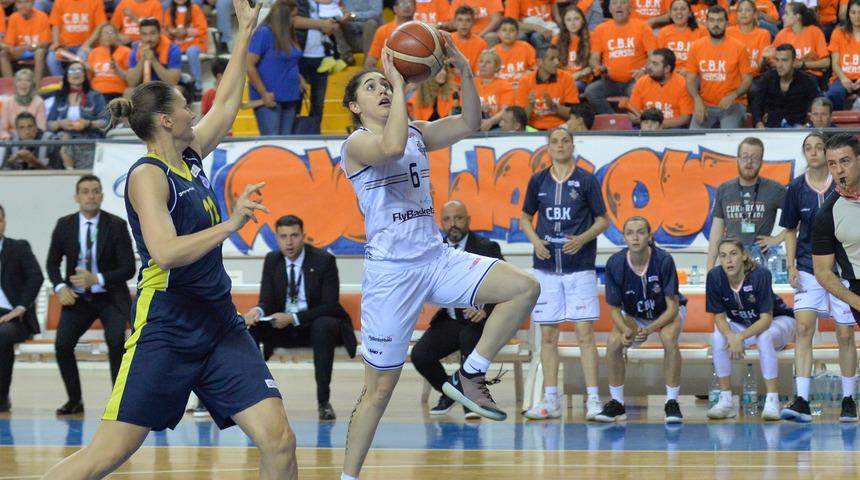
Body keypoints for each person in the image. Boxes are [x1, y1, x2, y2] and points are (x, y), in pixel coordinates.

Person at [43, 0, 299, 478]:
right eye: (184, 104)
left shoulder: (191, 155)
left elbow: (226, 103)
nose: (192, 109)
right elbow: (164, 252)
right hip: (168, 325)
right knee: (104, 456)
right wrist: (231, 223)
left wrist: (244, 33)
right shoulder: (149, 175)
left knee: (280, 441)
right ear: (165, 119)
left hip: (220, 323)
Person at [339, 34, 540, 480]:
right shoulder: (355, 144)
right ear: (355, 106)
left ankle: (472, 372)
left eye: (384, 84)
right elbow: (389, 148)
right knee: (379, 391)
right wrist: (398, 78)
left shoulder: (415, 133)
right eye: (371, 87)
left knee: (524, 287)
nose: (383, 89)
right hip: (391, 275)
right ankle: (348, 476)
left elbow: (470, 121)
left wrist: (465, 71)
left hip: (436, 258)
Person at [520, 127, 608, 421]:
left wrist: (582, 238)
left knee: (584, 334)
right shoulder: (538, 180)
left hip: (579, 266)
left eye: (565, 140)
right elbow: (524, 217)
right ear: (548, 147)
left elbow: (603, 220)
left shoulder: (586, 180)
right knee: (548, 335)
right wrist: (534, 241)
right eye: (555, 141)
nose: (560, 145)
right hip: (545, 268)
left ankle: (593, 399)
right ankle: (550, 399)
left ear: (573, 145)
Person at [244, 214, 357, 421]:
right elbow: (266, 300)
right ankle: (255, 398)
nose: (289, 242)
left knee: (324, 325)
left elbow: (330, 305)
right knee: (249, 328)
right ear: (276, 238)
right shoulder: (272, 260)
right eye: (283, 236)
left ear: (303, 236)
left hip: (314, 326)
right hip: (283, 327)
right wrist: (257, 312)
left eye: (294, 235)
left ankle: (323, 402)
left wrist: (293, 318)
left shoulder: (325, 261)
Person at [780, 132, 858, 424]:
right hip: (809, 267)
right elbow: (789, 228)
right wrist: (790, 265)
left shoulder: (845, 186)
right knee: (803, 329)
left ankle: (849, 399)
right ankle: (801, 398)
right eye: (808, 148)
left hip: (842, 270)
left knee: (845, 333)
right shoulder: (797, 188)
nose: (814, 153)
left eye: (818, 147)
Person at [45, 175, 135, 416]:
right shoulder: (64, 225)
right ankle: (74, 400)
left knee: (116, 341)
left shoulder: (116, 225)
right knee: (62, 345)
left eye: (95, 191)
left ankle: (119, 402)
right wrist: (59, 287)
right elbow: (52, 263)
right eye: (85, 191)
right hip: (78, 298)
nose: (91, 196)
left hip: (110, 296)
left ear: (102, 196)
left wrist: (99, 278)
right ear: (77, 197)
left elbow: (129, 268)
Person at [411, 200, 504, 417]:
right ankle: (450, 393)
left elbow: (506, 286)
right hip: (451, 320)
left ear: (468, 220)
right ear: (441, 222)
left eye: (458, 218)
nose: (453, 224)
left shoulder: (486, 247)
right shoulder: (435, 250)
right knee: (420, 355)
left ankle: (471, 402)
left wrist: (486, 308)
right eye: (447, 219)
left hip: (478, 321)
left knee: (469, 339)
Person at [597, 216, 686, 423]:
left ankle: (671, 402)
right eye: (630, 233)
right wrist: (626, 331)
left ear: (649, 236)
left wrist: (651, 328)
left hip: (666, 313)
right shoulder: (615, 263)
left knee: (668, 337)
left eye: (640, 232)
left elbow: (673, 307)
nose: (635, 237)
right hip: (635, 315)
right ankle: (617, 403)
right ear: (624, 238)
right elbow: (614, 310)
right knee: (613, 342)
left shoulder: (663, 260)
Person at [706, 237, 796, 421]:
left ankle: (773, 401)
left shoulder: (760, 274)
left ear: (744, 256)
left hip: (779, 321)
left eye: (733, 254)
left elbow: (766, 319)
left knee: (764, 337)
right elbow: (719, 317)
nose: (728, 260)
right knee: (718, 338)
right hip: (743, 325)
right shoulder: (715, 277)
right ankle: (726, 401)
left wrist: (739, 337)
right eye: (723, 256)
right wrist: (731, 336)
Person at [812, 133, 860, 358]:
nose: (839, 170)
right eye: (832, 164)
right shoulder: (827, 214)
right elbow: (822, 272)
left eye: (845, 161)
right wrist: (856, 301)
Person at [706, 137, 786, 270]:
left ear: (761, 161)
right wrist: (710, 267)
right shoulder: (724, 189)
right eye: (745, 157)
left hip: (761, 263)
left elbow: (799, 218)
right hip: (730, 263)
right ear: (737, 159)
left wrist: (777, 239)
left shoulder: (775, 189)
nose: (749, 162)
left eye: (754, 158)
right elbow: (717, 231)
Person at [0, 203, 44, 413]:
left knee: (3, 334)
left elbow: (36, 277)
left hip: (14, 316)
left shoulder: (18, 247)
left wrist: (20, 307)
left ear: (4, 222)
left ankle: (1, 397)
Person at [686, 5, 753, 129]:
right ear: (706, 23)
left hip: (733, 104)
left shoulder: (739, 47)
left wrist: (734, 95)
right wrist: (697, 99)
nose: (715, 24)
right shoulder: (696, 47)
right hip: (705, 104)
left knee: (728, 137)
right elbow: (690, 79)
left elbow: (748, 80)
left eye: (720, 20)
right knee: (692, 137)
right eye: (712, 20)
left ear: (727, 23)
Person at [586, 0, 656, 114]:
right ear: (609, 9)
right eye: (614, 3)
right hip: (610, 81)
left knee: (642, 92)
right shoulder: (600, 29)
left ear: (630, 8)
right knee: (591, 91)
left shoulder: (643, 27)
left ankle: (635, 123)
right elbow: (594, 58)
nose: (619, 6)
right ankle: (614, 121)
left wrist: (644, 70)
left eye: (623, 2)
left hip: (635, 80)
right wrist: (598, 67)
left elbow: (653, 56)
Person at [247, 0, 304, 135]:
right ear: (283, 17)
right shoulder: (264, 33)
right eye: (292, 16)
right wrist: (264, 93)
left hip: (291, 96)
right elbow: (249, 65)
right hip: (270, 100)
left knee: (287, 143)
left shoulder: (289, 34)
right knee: (272, 143)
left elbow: (290, 61)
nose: (295, 20)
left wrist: (299, 77)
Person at [46, 61, 108, 170]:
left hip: (89, 136)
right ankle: (69, 170)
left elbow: (106, 122)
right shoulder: (60, 97)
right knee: (64, 138)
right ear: (66, 76)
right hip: (65, 137)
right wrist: (61, 123)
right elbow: (49, 124)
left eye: (80, 70)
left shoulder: (96, 96)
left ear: (84, 75)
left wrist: (88, 123)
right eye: (72, 70)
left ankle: (71, 169)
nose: (76, 73)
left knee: (71, 141)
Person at [750, 43, 819, 128]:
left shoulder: (807, 81)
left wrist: (807, 125)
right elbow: (756, 103)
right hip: (772, 127)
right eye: (777, 60)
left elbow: (816, 107)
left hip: (798, 129)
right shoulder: (767, 78)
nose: (779, 65)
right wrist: (758, 123)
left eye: (784, 60)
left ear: (794, 62)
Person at [515, 44, 580, 130]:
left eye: (558, 58)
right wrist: (530, 105)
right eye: (552, 59)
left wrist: (553, 106)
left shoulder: (567, 78)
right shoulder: (525, 81)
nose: (557, 62)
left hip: (561, 128)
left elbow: (574, 115)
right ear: (539, 62)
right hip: (533, 129)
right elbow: (521, 121)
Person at [627, 48, 693, 128]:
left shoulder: (683, 84)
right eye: (650, 62)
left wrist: (658, 125)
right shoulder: (641, 82)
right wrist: (648, 125)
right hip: (646, 128)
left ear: (667, 69)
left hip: (672, 128)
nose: (649, 67)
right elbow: (632, 115)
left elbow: (685, 118)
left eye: (655, 64)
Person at [769, 3, 829, 80]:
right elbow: (771, 60)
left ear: (797, 17)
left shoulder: (814, 31)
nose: (783, 17)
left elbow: (826, 62)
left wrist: (802, 65)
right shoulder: (782, 34)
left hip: (808, 75)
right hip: (785, 74)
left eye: (787, 14)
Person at [47, 0, 106, 76]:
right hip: (64, 47)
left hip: (86, 47)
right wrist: (56, 43)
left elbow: (100, 26)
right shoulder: (59, 1)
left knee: (81, 57)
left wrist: (87, 44)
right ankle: (62, 84)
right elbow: (56, 25)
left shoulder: (96, 1)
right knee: (51, 58)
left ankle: (80, 85)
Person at [163, 0, 208, 96]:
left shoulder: (195, 9)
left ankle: (198, 86)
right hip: (177, 44)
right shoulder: (169, 11)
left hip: (195, 43)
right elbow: (165, 30)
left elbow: (202, 29)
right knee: (168, 51)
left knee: (191, 52)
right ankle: (172, 85)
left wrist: (186, 32)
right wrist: (173, 32)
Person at [0, 0, 50, 84]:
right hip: (20, 52)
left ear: (33, 3)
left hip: (36, 50)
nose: (23, 5)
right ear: (16, 4)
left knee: (40, 52)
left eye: (27, 2)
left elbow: (44, 43)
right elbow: (10, 44)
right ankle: (11, 87)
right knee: (3, 54)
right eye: (19, 3)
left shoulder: (42, 16)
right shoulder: (13, 17)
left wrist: (27, 47)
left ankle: (35, 88)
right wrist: (11, 49)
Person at [126, 18, 182, 87]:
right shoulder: (136, 50)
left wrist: (153, 60)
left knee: (177, 90)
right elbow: (131, 83)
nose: (148, 38)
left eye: (152, 33)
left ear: (159, 33)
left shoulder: (172, 49)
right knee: (128, 91)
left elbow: (173, 81)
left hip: (166, 88)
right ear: (140, 36)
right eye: (144, 34)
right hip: (144, 88)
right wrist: (142, 60)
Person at [827, 0, 860, 111]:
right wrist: (844, 79)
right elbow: (835, 64)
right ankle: (836, 127)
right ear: (848, 14)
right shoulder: (838, 32)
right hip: (842, 77)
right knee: (834, 94)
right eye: (853, 12)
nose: (857, 16)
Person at [656, 0, 706, 75]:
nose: (679, 12)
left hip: (694, 73)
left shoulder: (702, 31)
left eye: (683, 9)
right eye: (675, 9)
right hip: (670, 73)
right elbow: (659, 58)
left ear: (690, 13)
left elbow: (706, 56)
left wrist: (690, 70)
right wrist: (671, 70)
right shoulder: (663, 32)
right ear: (670, 14)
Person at [86, 23, 132, 103]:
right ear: (100, 37)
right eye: (105, 33)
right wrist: (86, 70)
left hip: (117, 92)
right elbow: (89, 77)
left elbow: (131, 79)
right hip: (96, 93)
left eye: (111, 32)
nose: (108, 35)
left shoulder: (126, 51)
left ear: (117, 35)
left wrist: (118, 70)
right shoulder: (93, 53)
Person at [363, 0, 413, 69]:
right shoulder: (382, 30)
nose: (407, 6)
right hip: (388, 75)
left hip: (416, 76)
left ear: (415, 8)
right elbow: (371, 60)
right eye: (403, 3)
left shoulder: (422, 30)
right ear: (395, 8)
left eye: (410, 3)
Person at [553, 5, 592, 93]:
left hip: (581, 81)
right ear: (564, 23)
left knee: (573, 85)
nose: (573, 23)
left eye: (576, 19)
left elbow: (593, 65)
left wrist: (578, 74)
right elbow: (552, 64)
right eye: (568, 20)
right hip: (561, 80)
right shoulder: (556, 39)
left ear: (582, 21)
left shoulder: (591, 37)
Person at [476, 49, 516, 131]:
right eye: (481, 61)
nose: (483, 65)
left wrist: (490, 122)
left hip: (496, 126)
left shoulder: (505, 85)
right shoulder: (471, 83)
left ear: (496, 67)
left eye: (488, 62)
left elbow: (506, 110)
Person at [0, 69, 46, 140]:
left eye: (27, 80)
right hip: (12, 139)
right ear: (15, 83)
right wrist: (8, 138)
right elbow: (2, 129)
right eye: (19, 80)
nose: (23, 83)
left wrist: (27, 135)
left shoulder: (39, 102)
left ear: (32, 84)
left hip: (33, 138)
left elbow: (41, 127)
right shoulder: (8, 102)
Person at [493, 16, 537, 86]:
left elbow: (536, 67)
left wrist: (529, 73)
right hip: (502, 89)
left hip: (522, 86)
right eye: (504, 30)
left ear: (517, 34)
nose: (508, 33)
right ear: (498, 33)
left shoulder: (525, 47)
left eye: (512, 30)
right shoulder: (493, 52)